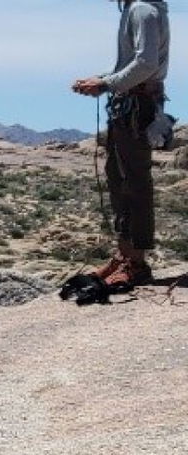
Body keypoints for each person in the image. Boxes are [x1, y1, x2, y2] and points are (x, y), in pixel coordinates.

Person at [73, 0, 171, 288]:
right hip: (130, 103)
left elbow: (146, 63)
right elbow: (130, 64)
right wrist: (101, 79)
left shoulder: (142, 10)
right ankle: (124, 254)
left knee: (135, 182)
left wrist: (105, 85)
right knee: (118, 178)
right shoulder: (139, 9)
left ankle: (136, 262)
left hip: (137, 106)